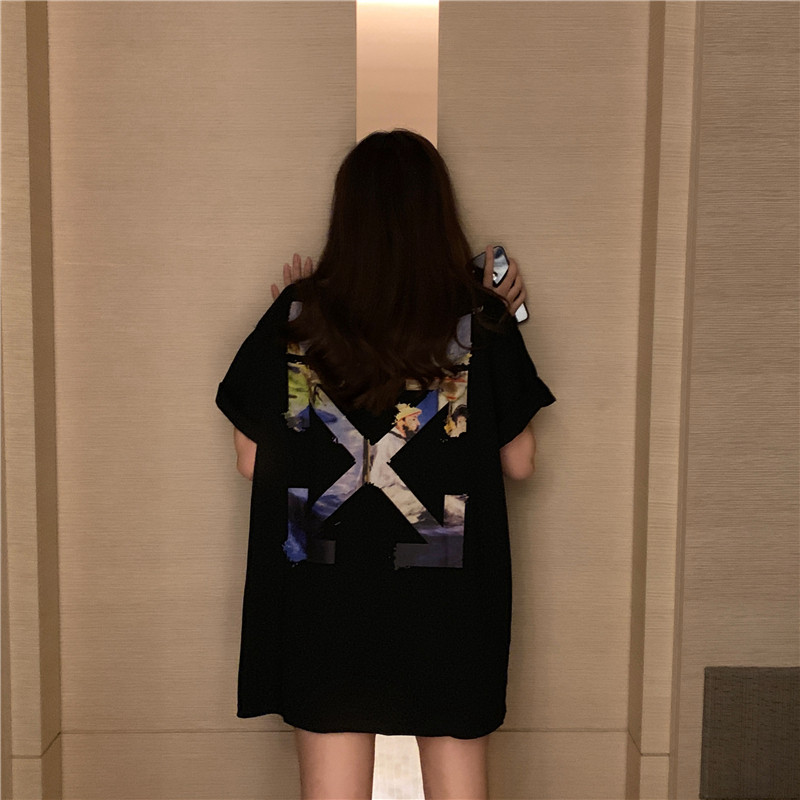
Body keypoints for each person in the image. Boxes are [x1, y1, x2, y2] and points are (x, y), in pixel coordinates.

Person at [215, 129, 556, 800]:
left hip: (324, 598)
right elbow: (519, 461)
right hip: (448, 601)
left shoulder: (299, 315)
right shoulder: (480, 321)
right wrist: (505, 320)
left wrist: (293, 344)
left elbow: (253, 461)